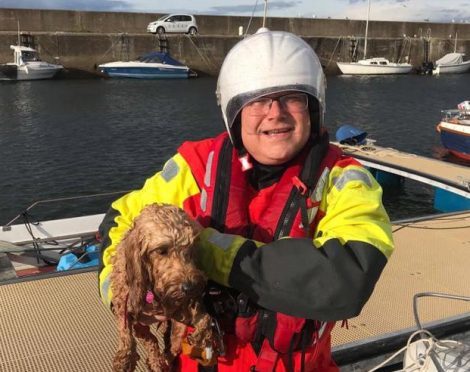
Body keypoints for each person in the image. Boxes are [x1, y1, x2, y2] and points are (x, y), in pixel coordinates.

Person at [98, 28, 394, 372]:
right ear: (234, 113)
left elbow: (348, 279)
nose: (275, 113)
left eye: (292, 98)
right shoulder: (193, 167)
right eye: (256, 100)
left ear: (313, 107)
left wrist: (205, 250)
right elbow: (120, 221)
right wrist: (124, 292)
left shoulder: (345, 180)